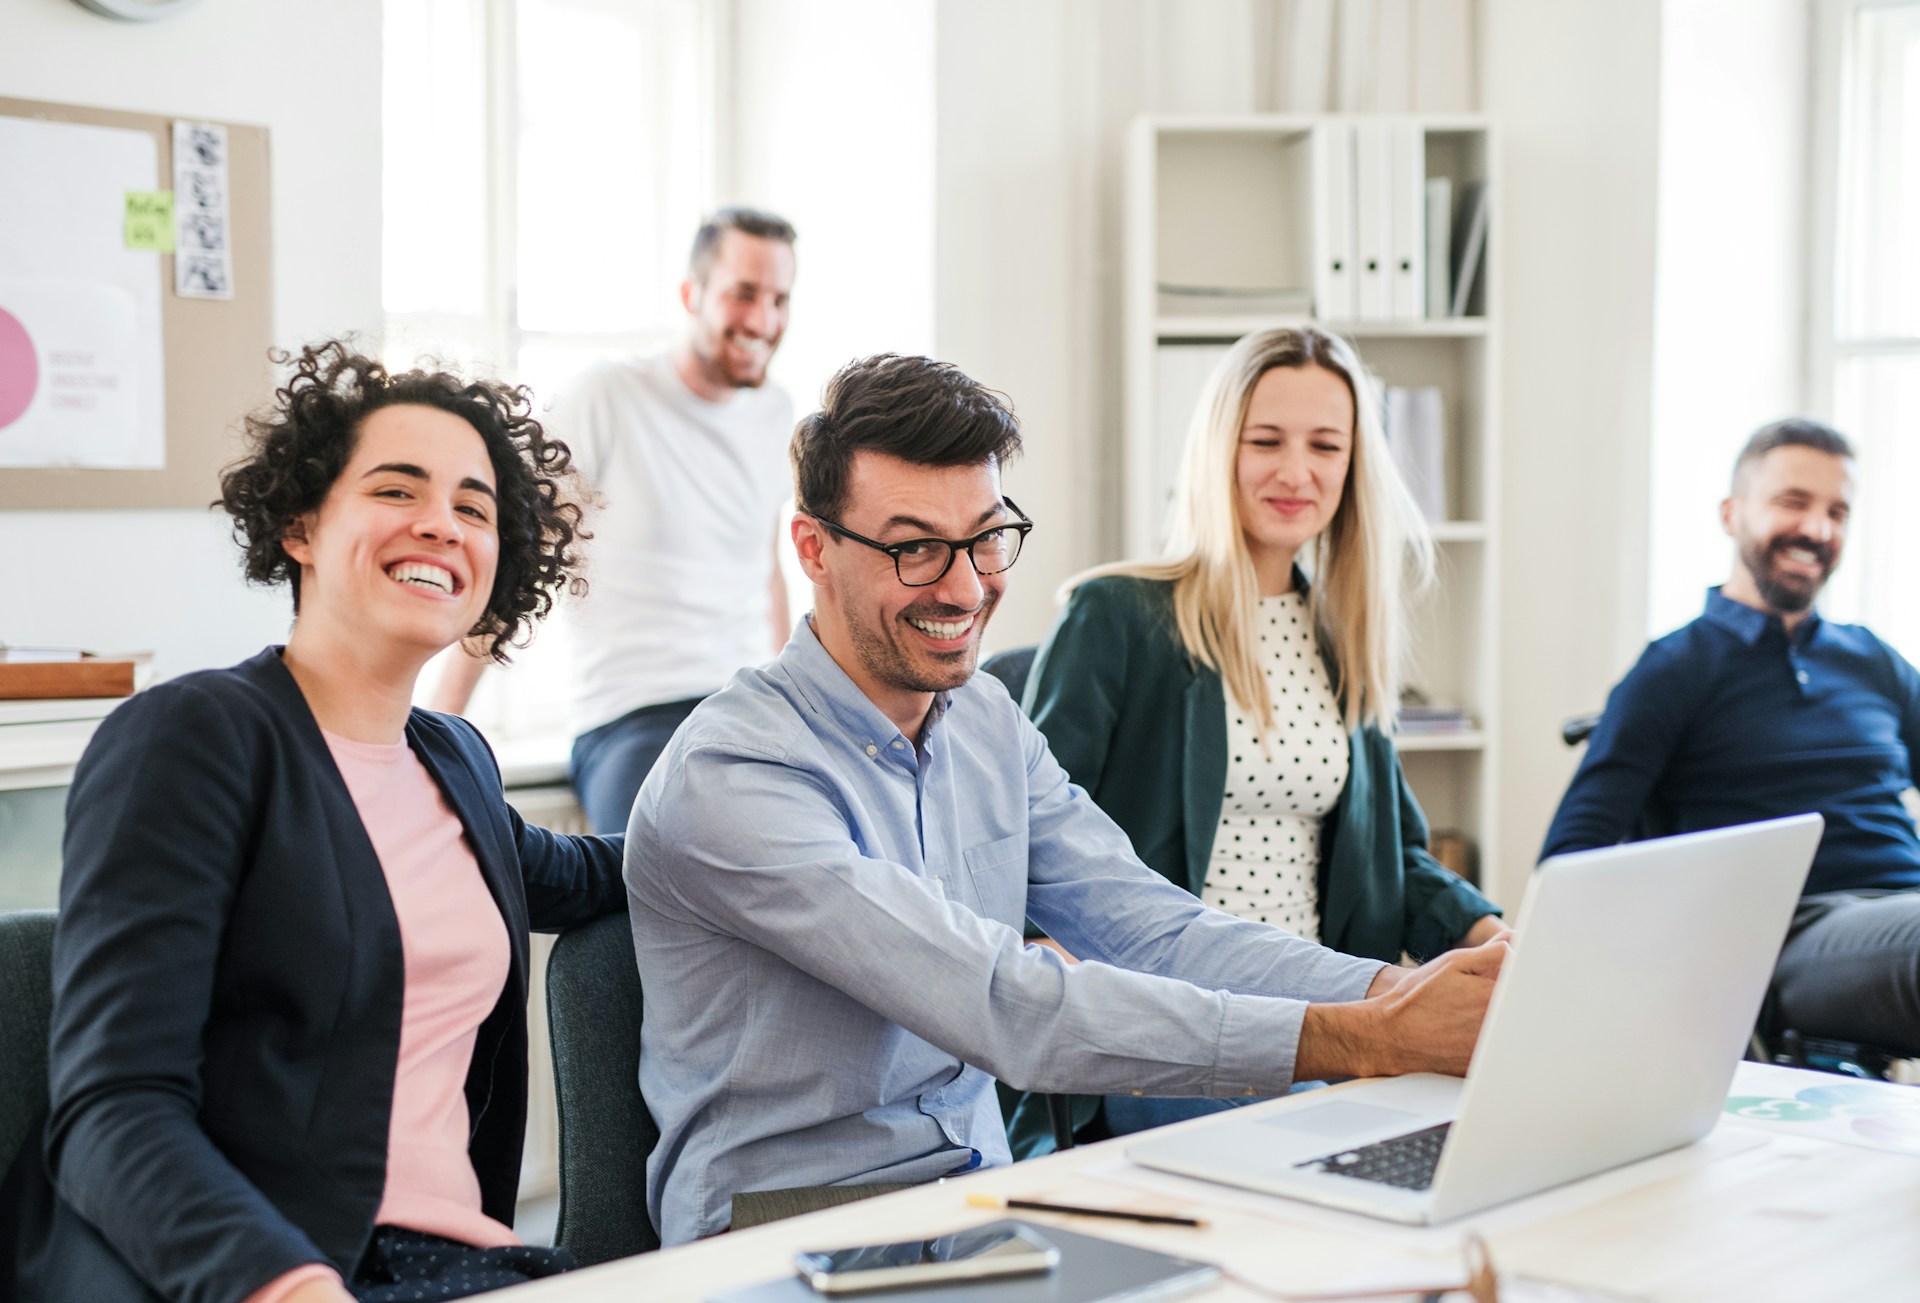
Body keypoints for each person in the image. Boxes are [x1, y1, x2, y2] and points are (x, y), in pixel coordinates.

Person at [625, 352, 1510, 1246]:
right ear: (813, 547)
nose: (967, 587)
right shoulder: (733, 772)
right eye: (915, 548)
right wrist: (1366, 1038)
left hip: (983, 1198)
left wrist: (1402, 990)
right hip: (788, 1227)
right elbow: (1001, 1002)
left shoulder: (984, 721)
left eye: (986, 537)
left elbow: (1153, 926)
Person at [1, 343, 626, 1303]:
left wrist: (765, 817)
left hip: (464, 1261)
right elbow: (111, 1107)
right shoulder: (194, 738)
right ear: (299, 522)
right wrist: (283, 1283)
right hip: (260, 1268)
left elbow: (590, 871)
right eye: (395, 488)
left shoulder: (454, 760)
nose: (440, 524)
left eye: (474, 506)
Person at [1004, 326, 1505, 1155]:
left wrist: (1495, 939)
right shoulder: (1118, 617)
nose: (1296, 471)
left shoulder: (1344, 635)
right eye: (1265, 441)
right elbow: (1020, 840)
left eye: (1325, 446)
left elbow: (1398, 857)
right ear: (1218, 450)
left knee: (1494, 1117)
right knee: (1332, 1141)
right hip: (1180, 1031)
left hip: (1337, 1016)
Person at [1542, 417, 1920, 1057]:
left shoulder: (1872, 660)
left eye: (1838, 511)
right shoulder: (1675, 668)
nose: (1818, 529)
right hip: (1790, 937)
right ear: (1731, 513)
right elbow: (1570, 857)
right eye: (1793, 502)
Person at [431, 206, 799, 833]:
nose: (763, 320)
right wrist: (434, 730)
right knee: (659, 883)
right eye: (743, 294)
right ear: (692, 294)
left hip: (750, 707)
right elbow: (517, 559)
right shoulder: (608, 397)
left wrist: (799, 696)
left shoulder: (777, 413)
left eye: (779, 299)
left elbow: (765, 567)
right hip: (633, 714)